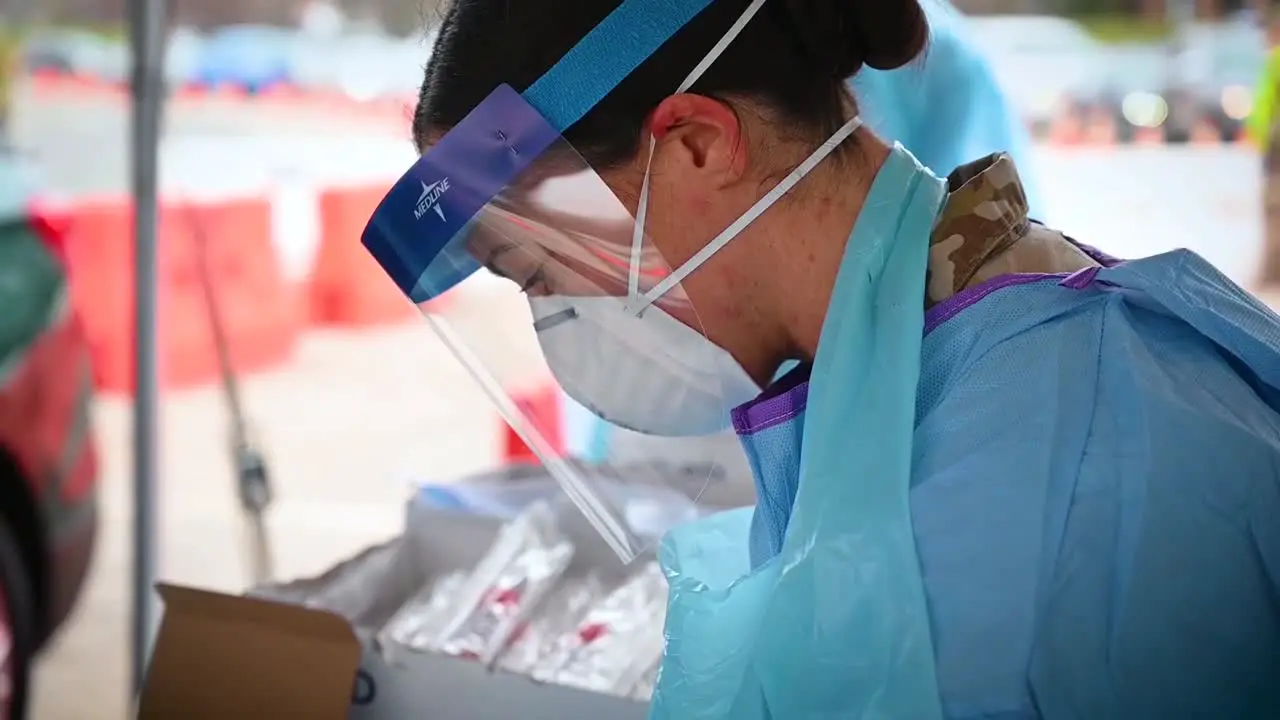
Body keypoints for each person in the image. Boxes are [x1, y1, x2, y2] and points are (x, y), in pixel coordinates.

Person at [364, 0, 1280, 716]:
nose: (560, 320)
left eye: (538, 272)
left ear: (694, 144)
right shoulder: (895, 383)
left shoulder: (1097, 461)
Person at [568, 0, 1047, 469]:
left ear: (696, 143)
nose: (558, 296)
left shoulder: (1027, 376)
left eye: (539, 274)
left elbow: (973, 255)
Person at [1251, 6, 1280, 285]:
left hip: (1276, 149)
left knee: (1274, 206)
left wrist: (1257, 138)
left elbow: (1264, 107)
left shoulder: (1276, 61)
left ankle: (1272, 273)